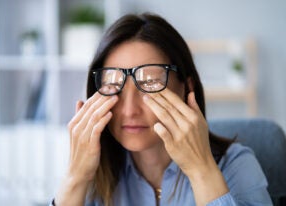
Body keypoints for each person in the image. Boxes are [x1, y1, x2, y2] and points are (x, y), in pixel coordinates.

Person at [51, 13, 272, 206]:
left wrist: (201, 169)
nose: (129, 110)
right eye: (113, 85)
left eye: (150, 83)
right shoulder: (93, 173)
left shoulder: (235, 165)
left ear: (187, 88)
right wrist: (75, 178)